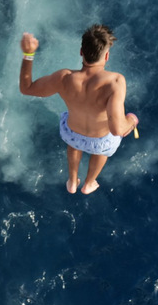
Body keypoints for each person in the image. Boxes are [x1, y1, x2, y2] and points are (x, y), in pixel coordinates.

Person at [18, 26, 138, 194]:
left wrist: (28, 54)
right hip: (101, 141)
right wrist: (132, 121)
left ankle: (73, 181)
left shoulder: (64, 78)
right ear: (106, 56)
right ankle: (89, 183)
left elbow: (27, 88)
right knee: (100, 153)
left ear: (81, 52)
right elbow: (117, 129)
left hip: (72, 134)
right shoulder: (115, 82)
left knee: (74, 146)